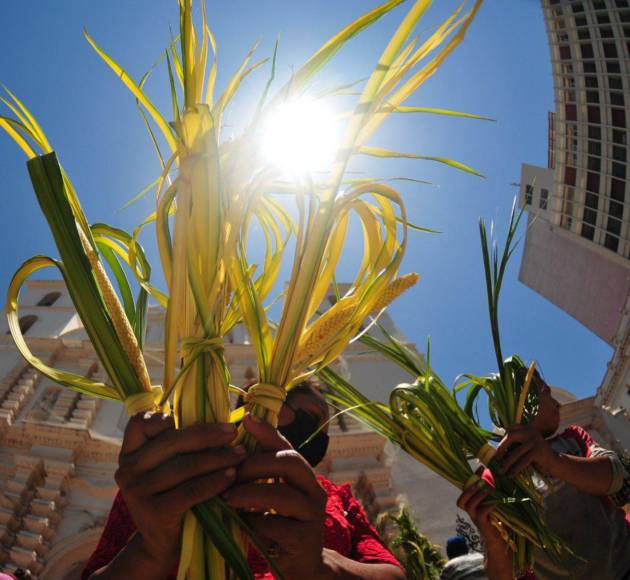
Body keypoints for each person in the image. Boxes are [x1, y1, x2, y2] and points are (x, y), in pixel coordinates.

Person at [82, 381, 405, 579]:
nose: (319, 431)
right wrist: (151, 551)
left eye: (324, 423)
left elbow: (392, 574)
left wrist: (322, 568)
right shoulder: (171, 483)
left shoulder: (337, 498)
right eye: (311, 416)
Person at [457, 371, 630, 580]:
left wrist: (553, 460)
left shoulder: (572, 439)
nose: (557, 404)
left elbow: (614, 476)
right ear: (524, 402)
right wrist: (492, 539)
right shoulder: (496, 478)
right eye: (546, 392)